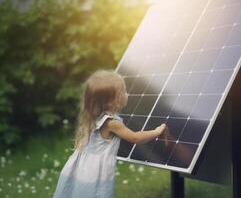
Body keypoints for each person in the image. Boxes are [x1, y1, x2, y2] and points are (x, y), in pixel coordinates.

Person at [53, 69, 168, 198]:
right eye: (124, 91)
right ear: (112, 101)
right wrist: (156, 131)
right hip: (95, 173)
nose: (127, 93)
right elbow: (135, 137)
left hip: (80, 169)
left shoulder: (91, 117)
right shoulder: (112, 123)